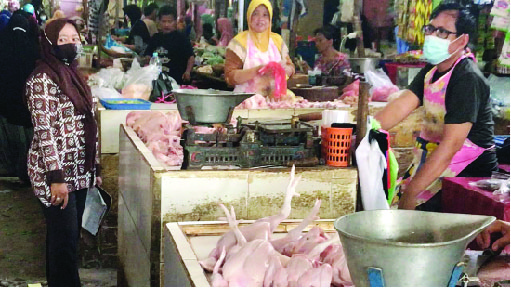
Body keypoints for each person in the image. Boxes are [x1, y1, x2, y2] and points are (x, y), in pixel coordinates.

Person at [374, 3, 498, 211]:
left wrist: (413, 191)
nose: (432, 36)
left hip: (466, 173)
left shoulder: (467, 78)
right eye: (431, 29)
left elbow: (451, 145)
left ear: (462, 40)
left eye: (443, 32)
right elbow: (400, 107)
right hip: (434, 158)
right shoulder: (432, 71)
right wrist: (367, 127)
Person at [24, 19, 101, 286]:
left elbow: (88, 122)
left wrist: (95, 168)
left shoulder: (73, 73)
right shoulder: (43, 79)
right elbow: (44, 131)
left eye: (74, 38)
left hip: (79, 170)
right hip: (55, 175)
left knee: (64, 239)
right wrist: (56, 178)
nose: (71, 43)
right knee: (65, 241)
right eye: (62, 39)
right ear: (48, 43)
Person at [224, 0, 295, 97]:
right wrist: (257, 71)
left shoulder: (277, 40)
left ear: (270, 19)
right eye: (256, 14)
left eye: (265, 15)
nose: (260, 19)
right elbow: (230, 77)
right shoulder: (238, 43)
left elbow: (291, 68)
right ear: (249, 16)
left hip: (275, 102)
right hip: (247, 101)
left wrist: (285, 69)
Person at [145, 6, 195, 84]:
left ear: (175, 21)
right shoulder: (155, 38)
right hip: (157, 81)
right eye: (163, 21)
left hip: (176, 81)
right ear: (159, 22)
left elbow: (191, 57)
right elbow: (148, 55)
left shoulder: (181, 38)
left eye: (169, 21)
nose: (166, 25)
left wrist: (187, 72)